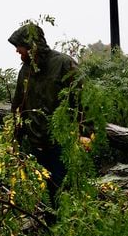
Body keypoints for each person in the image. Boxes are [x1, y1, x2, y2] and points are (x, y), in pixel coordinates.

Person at [8, 23, 87, 208]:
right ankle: (52, 233)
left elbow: (83, 98)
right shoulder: (25, 70)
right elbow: (19, 107)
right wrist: (14, 139)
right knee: (45, 195)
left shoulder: (63, 64)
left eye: (20, 49)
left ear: (32, 46)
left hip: (62, 143)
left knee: (62, 192)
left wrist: (85, 132)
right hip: (36, 145)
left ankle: (65, 233)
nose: (18, 52)